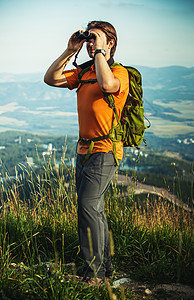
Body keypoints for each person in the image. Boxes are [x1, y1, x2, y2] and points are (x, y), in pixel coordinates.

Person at [44, 20, 129, 284]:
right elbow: (50, 78)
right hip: (84, 149)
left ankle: (93, 273)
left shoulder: (119, 72)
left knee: (87, 205)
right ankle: (104, 269)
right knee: (94, 209)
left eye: (96, 38)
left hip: (106, 150)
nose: (91, 43)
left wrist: (101, 52)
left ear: (111, 42)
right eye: (89, 39)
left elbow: (107, 86)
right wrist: (70, 50)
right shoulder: (84, 73)